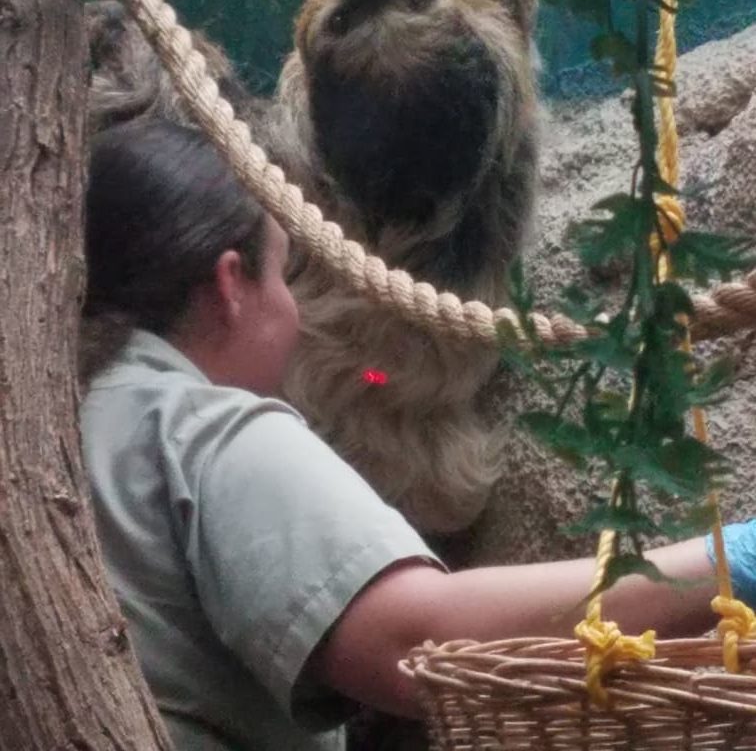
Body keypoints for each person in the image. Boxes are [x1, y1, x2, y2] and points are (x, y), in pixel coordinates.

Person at [80, 119, 756, 751]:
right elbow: (420, 645)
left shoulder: (87, 413)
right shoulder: (206, 429)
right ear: (231, 283)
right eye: (285, 276)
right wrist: (731, 561)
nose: (294, 312)